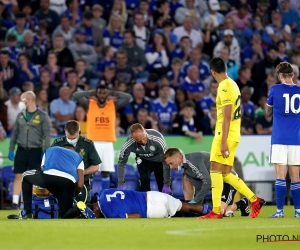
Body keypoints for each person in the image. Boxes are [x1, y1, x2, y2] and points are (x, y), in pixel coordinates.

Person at [198, 57, 265, 219]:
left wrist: (222, 142)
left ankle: (215, 211)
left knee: (214, 168)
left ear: (213, 72)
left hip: (225, 135)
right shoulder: (233, 84)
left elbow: (227, 116)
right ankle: (255, 199)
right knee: (226, 173)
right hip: (233, 134)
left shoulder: (224, 87)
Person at [72, 85, 131, 190]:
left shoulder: (113, 105)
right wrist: (92, 91)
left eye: (104, 93)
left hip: (108, 143)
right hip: (93, 142)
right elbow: (76, 95)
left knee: (105, 172)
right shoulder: (90, 104)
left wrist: (112, 92)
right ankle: (89, 195)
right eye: (100, 93)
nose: (102, 95)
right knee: (91, 171)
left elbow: (127, 97)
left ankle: (104, 194)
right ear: (96, 94)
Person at [164, 148, 250, 217]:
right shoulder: (187, 170)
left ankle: (242, 203)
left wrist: (194, 202)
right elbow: (199, 187)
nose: (171, 167)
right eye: (169, 165)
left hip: (228, 181)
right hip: (217, 185)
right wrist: (196, 208)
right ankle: (231, 207)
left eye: (171, 163)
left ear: (179, 157)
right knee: (216, 212)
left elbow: (207, 182)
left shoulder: (193, 161)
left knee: (220, 213)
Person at [266, 62, 300, 218]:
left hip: (279, 137)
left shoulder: (275, 89)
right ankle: (298, 211)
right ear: (292, 75)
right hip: (296, 139)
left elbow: (268, 113)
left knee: (280, 175)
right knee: (295, 176)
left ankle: (279, 211)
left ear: (279, 76)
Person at [8, 91, 51, 209]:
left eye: (22, 99)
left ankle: (33, 202)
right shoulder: (20, 115)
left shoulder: (42, 116)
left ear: (29, 100)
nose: (21, 102)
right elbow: (15, 134)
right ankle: (15, 202)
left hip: (35, 150)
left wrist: (46, 151)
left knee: (34, 177)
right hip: (21, 150)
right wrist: (11, 149)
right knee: (18, 176)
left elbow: (47, 135)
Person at [21, 145, 84, 219]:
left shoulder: (50, 150)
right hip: (68, 182)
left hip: (48, 177)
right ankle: (78, 210)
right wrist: (73, 194)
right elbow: (80, 185)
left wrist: (54, 191)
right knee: (64, 215)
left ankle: (27, 213)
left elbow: (42, 170)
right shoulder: (79, 157)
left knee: (25, 177)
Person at [51, 120, 101, 203]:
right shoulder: (57, 144)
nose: (71, 140)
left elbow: (96, 166)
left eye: (73, 138)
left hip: (82, 184)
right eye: (69, 138)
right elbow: (50, 162)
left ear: (79, 132)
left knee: (83, 209)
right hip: (62, 184)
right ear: (65, 131)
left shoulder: (88, 144)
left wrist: (82, 172)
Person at [117, 123, 171, 193]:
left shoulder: (157, 139)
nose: (143, 142)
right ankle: (146, 201)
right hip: (143, 160)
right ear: (133, 138)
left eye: (143, 138)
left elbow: (166, 161)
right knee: (144, 180)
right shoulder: (128, 144)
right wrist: (120, 184)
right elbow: (121, 163)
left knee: (162, 182)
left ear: (145, 131)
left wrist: (167, 184)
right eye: (139, 141)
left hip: (159, 160)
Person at [92, 188, 208, 218]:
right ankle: (214, 210)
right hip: (151, 195)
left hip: (151, 210)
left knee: (179, 212)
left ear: (96, 211)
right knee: (187, 207)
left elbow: (136, 215)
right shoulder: (103, 192)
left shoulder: (109, 213)